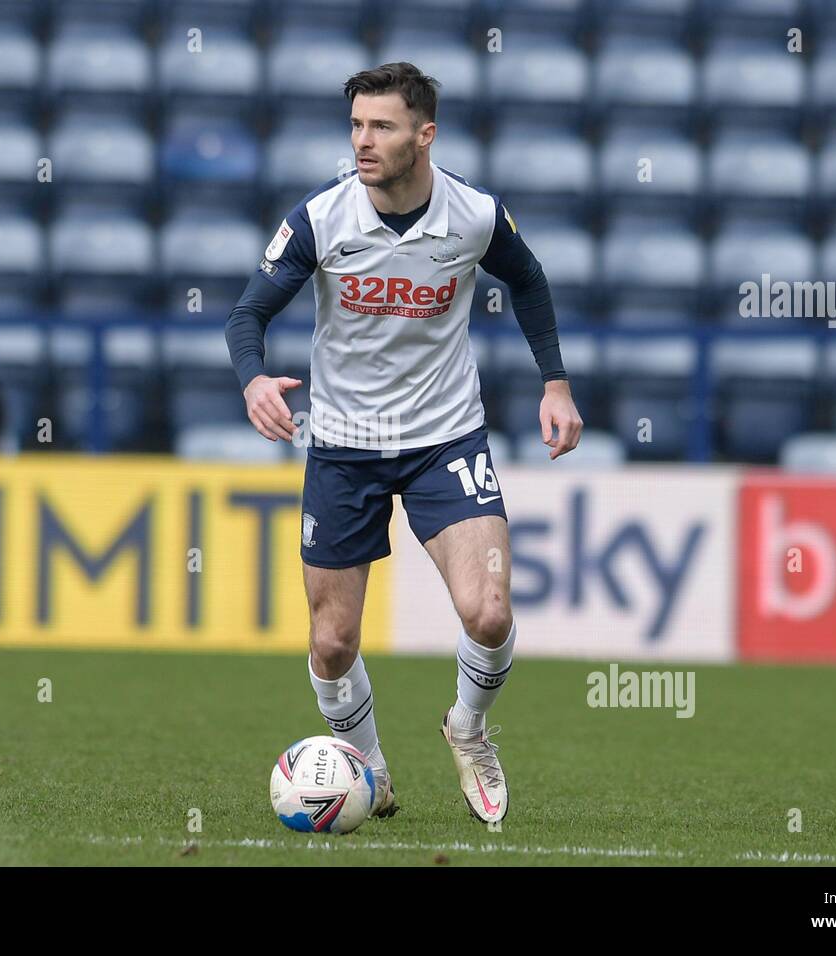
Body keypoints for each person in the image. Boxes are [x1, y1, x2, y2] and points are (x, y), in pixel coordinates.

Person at [225, 62, 583, 824]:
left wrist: (554, 383)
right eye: (355, 124)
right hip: (346, 445)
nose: (363, 140)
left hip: (443, 437)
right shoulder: (321, 219)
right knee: (331, 642)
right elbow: (245, 315)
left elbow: (529, 279)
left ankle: (469, 729)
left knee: (487, 612)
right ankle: (373, 773)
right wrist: (254, 379)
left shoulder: (474, 214)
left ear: (425, 135)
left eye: (381, 126)